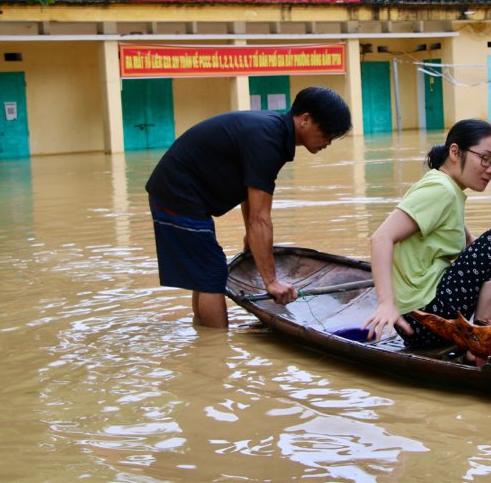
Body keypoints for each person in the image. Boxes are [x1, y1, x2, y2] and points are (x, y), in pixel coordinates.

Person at [146, 86, 352, 328]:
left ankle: (204, 341)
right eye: (327, 132)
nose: (328, 141)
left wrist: (250, 237)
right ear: (305, 120)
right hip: (177, 193)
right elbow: (260, 218)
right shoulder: (269, 139)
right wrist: (271, 281)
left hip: (179, 192)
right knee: (211, 274)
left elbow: (250, 194)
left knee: (205, 274)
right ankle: (216, 349)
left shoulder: (272, 131)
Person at [362, 119, 491, 348]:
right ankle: (480, 341)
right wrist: (386, 303)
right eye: (485, 159)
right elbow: (381, 238)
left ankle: (480, 332)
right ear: (455, 151)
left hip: (421, 317)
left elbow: (470, 245)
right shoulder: (440, 190)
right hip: (426, 317)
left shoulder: (448, 189)